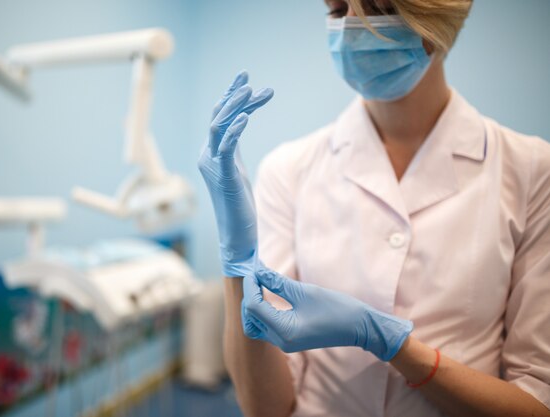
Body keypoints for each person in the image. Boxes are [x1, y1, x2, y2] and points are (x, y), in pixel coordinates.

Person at [197, 0, 550, 416]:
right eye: (336, 9)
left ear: (435, 20)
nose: (349, 28)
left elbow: (535, 401)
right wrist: (238, 261)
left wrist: (396, 346)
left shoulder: (530, 171)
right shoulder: (288, 169)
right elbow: (265, 409)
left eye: (377, 7)